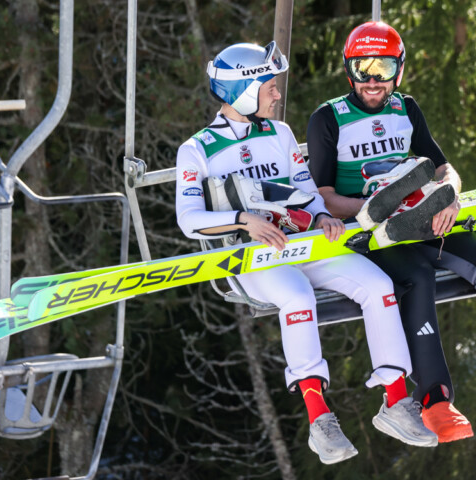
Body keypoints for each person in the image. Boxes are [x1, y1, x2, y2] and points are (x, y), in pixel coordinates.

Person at [175, 40, 438, 465]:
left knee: (378, 285)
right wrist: (245, 220)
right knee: (297, 296)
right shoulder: (197, 148)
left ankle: (395, 401)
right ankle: (320, 420)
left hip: (302, 244)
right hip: (251, 257)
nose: (277, 93)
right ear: (242, 90)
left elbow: (306, 193)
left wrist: (320, 219)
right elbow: (188, 219)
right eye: (268, 86)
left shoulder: (279, 134)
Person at [306, 21, 476, 442]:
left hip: (425, 218)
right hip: (374, 233)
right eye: (362, 67)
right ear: (348, 69)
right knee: (417, 277)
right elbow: (323, 196)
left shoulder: (407, 109)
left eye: (383, 69)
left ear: (398, 71)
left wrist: (449, 197)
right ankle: (434, 401)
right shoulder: (328, 118)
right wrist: (373, 212)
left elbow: (445, 169)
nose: (372, 80)